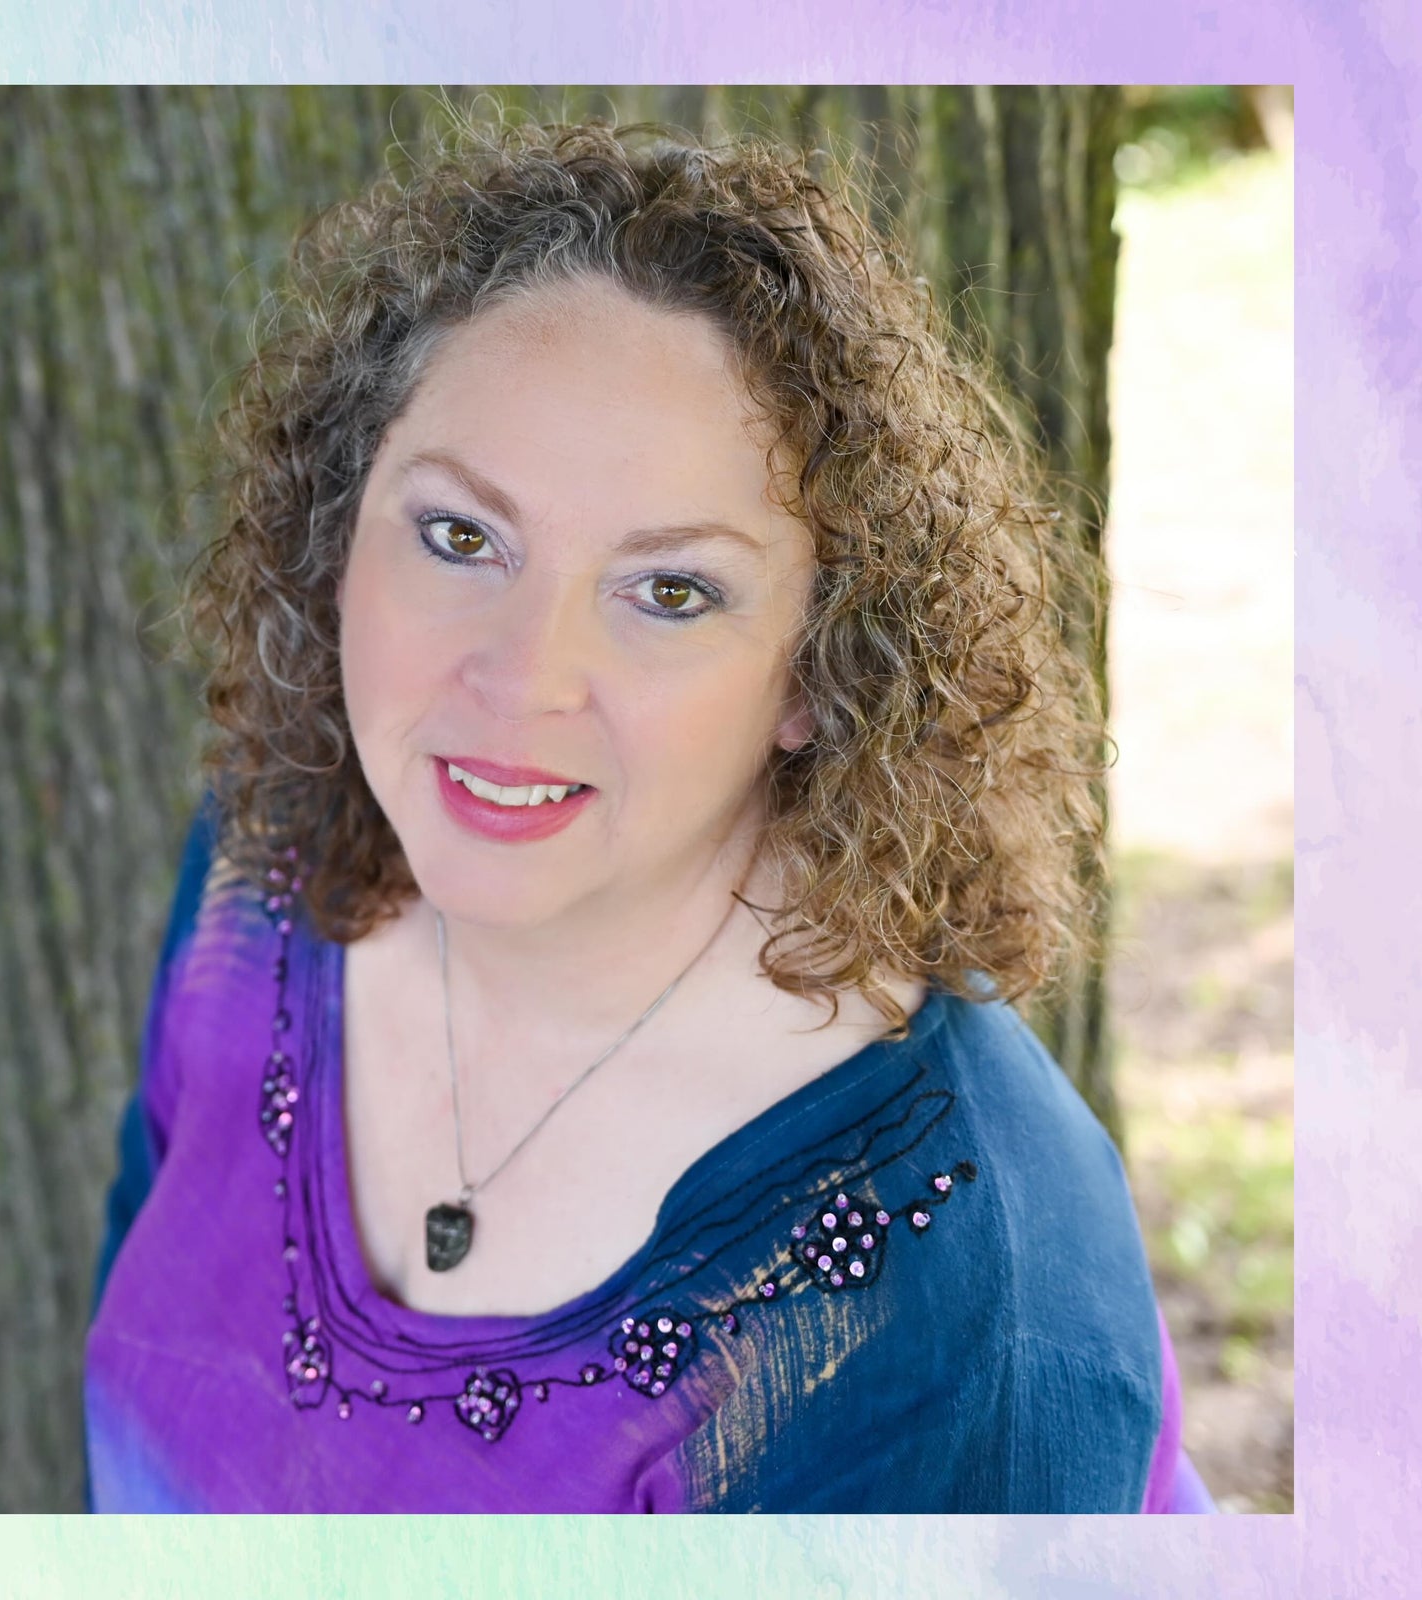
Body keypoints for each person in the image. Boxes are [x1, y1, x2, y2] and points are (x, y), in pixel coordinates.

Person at [83, 115, 1215, 1513]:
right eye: (460, 536)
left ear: (817, 672)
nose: (522, 680)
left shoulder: (964, 1310)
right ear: (340, 527)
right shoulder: (266, 869)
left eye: (670, 592)